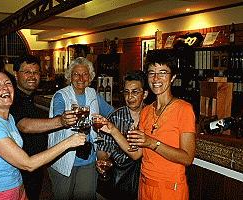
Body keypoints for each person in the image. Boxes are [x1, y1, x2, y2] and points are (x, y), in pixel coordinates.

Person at [0, 71, 86, 200]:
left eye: (8, 83)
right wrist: (68, 142)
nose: (4, 88)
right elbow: (28, 164)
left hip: (17, 188)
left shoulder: (8, 118)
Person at [127, 50, 196, 200]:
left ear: (173, 78)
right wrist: (112, 130)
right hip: (144, 184)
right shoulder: (145, 111)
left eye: (163, 72)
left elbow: (187, 158)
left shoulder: (184, 109)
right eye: (151, 73)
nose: (156, 78)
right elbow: (136, 154)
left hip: (170, 189)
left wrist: (151, 142)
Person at [10, 55, 77, 200]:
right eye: (27, 72)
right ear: (16, 74)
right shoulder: (12, 98)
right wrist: (61, 121)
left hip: (35, 166)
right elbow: (24, 125)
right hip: (21, 168)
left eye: (36, 72)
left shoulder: (29, 97)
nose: (32, 76)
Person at [48, 57, 114, 200]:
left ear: (90, 77)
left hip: (88, 158)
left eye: (85, 74)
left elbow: (111, 112)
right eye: (76, 74)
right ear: (69, 76)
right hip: (64, 159)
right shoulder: (61, 95)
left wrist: (132, 113)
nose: (80, 78)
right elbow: (59, 116)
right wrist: (64, 119)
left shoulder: (93, 94)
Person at [96, 70, 148, 200]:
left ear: (145, 94)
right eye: (126, 92)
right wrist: (102, 160)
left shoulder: (152, 116)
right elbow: (104, 148)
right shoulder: (115, 117)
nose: (130, 97)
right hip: (119, 178)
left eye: (135, 92)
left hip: (145, 179)